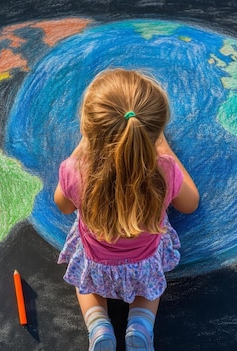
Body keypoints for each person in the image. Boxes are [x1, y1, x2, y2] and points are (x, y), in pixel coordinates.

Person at [54, 69, 199, 351]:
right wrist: (163, 146)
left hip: (97, 263)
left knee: (88, 288)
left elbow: (63, 205)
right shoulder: (164, 170)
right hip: (144, 264)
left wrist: (81, 148)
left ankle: (98, 326)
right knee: (149, 291)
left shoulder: (75, 172)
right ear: (153, 132)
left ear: (88, 131)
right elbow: (190, 203)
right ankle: (141, 325)